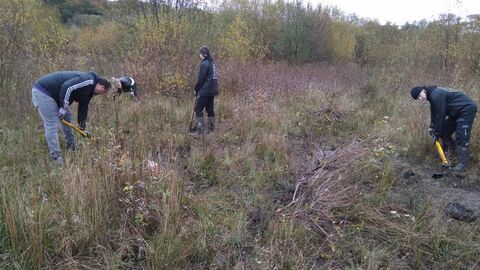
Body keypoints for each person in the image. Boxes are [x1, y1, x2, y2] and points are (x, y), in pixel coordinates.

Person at [32, 71, 111, 165]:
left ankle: (71, 146)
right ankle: (56, 158)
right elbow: (67, 87)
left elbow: (83, 108)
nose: (101, 95)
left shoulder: (90, 91)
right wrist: (63, 107)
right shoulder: (88, 80)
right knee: (52, 124)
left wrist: (82, 128)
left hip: (56, 96)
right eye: (104, 92)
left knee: (67, 116)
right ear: (102, 87)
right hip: (43, 92)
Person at [410, 85, 477, 172]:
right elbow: (434, 112)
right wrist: (432, 127)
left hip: (466, 109)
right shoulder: (432, 95)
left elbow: (440, 115)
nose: (420, 99)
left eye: (419, 96)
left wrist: (436, 133)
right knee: (444, 131)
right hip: (456, 112)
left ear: (423, 91)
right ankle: (450, 153)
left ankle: (463, 164)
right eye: (418, 98)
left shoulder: (435, 94)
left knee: (461, 136)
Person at [192, 46, 219, 136]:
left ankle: (200, 131)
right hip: (213, 90)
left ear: (204, 54)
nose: (199, 55)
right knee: (210, 110)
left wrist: (196, 90)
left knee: (198, 109)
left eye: (200, 53)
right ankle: (211, 129)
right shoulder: (212, 63)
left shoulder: (204, 64)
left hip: (206, 90)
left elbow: (201, 79)